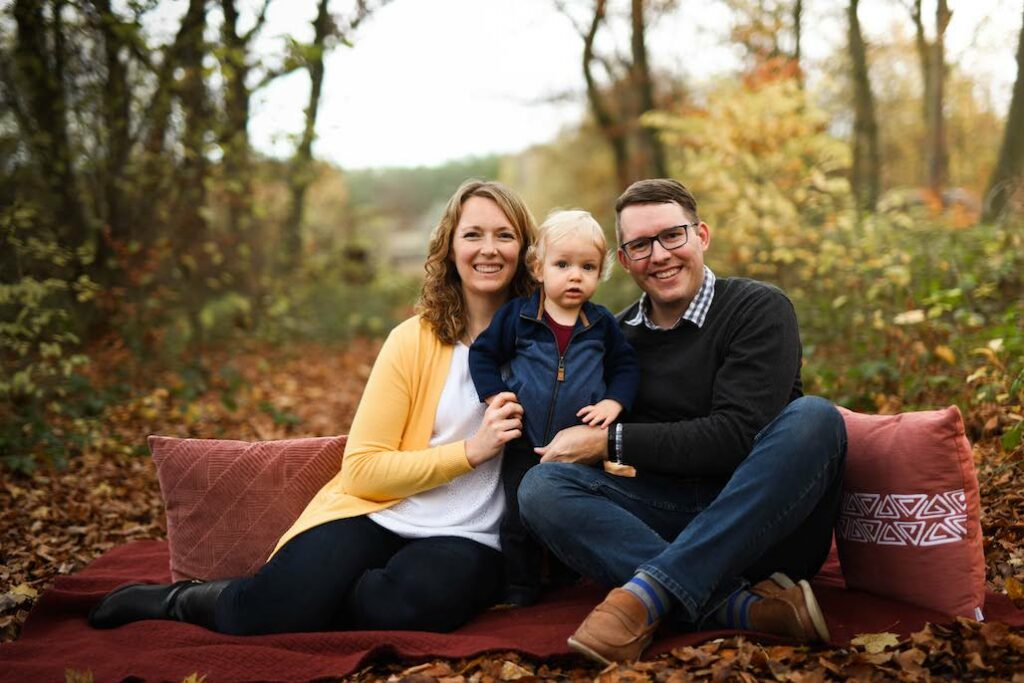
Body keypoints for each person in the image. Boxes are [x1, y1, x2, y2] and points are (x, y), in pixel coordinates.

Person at [88, 179, 537, 634]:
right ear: (450, 247)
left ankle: (319, 602)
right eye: (473, 234)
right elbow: (362, 468)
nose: (489, 249)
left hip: (468, 535)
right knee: (265, 613)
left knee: (409, 607)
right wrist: (469, 452)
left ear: (524, 250)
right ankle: (180, 601)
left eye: (505, 235)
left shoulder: (546, 345)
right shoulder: (411, 341)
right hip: (380, 512)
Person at [517, 179, 847, 664]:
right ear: (625, 261)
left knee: (816, 418)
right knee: (541, 487)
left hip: (765, 525)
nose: (660, 255)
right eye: (640, 245)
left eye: (673, 235)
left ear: (701, 236)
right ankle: (740, 608)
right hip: (668, 517)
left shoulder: (758, 309)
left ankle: (646, 594)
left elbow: (736, 436)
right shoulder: (617, 335)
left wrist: (610, 441)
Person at [468, 210, 639, 606]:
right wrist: (495, 395)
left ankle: (569, 580)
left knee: (573, 514)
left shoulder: (601, 325)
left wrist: (614, 401)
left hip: (580, 444)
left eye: (588, 266)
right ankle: (520, 588)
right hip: (524, 441)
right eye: (563, 264)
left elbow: (626, 367)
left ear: (601, 272)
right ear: (539, 268)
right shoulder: (519, 317)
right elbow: (483, 354)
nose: (575, 275)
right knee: (518, 518)